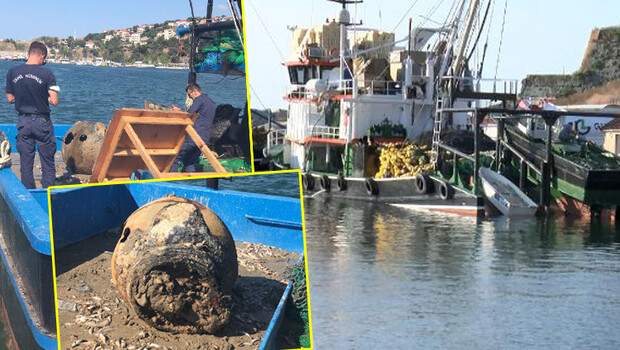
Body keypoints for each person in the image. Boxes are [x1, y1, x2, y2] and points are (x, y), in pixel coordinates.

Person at [5, 41, 60, 188]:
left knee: (26, 161)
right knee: (47, 160)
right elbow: (54, 100)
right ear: (41, 55)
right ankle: (48, 192)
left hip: (23, 121)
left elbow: (10, 99)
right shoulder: (47, 73)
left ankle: (29, 192)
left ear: (29, 53)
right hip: (42, 122)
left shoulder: (13, 72)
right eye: (44, 59)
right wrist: (42, 96)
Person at [173, 83, 217, 172]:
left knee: (175, 157)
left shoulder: (199, 99)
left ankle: (168, 179)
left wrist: (178, 111)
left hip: (195, 136)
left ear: (194, 92)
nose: (190, 98)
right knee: (190, 162)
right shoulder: (211, 102)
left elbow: (189, 114)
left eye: (189, 95)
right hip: (205, 137)